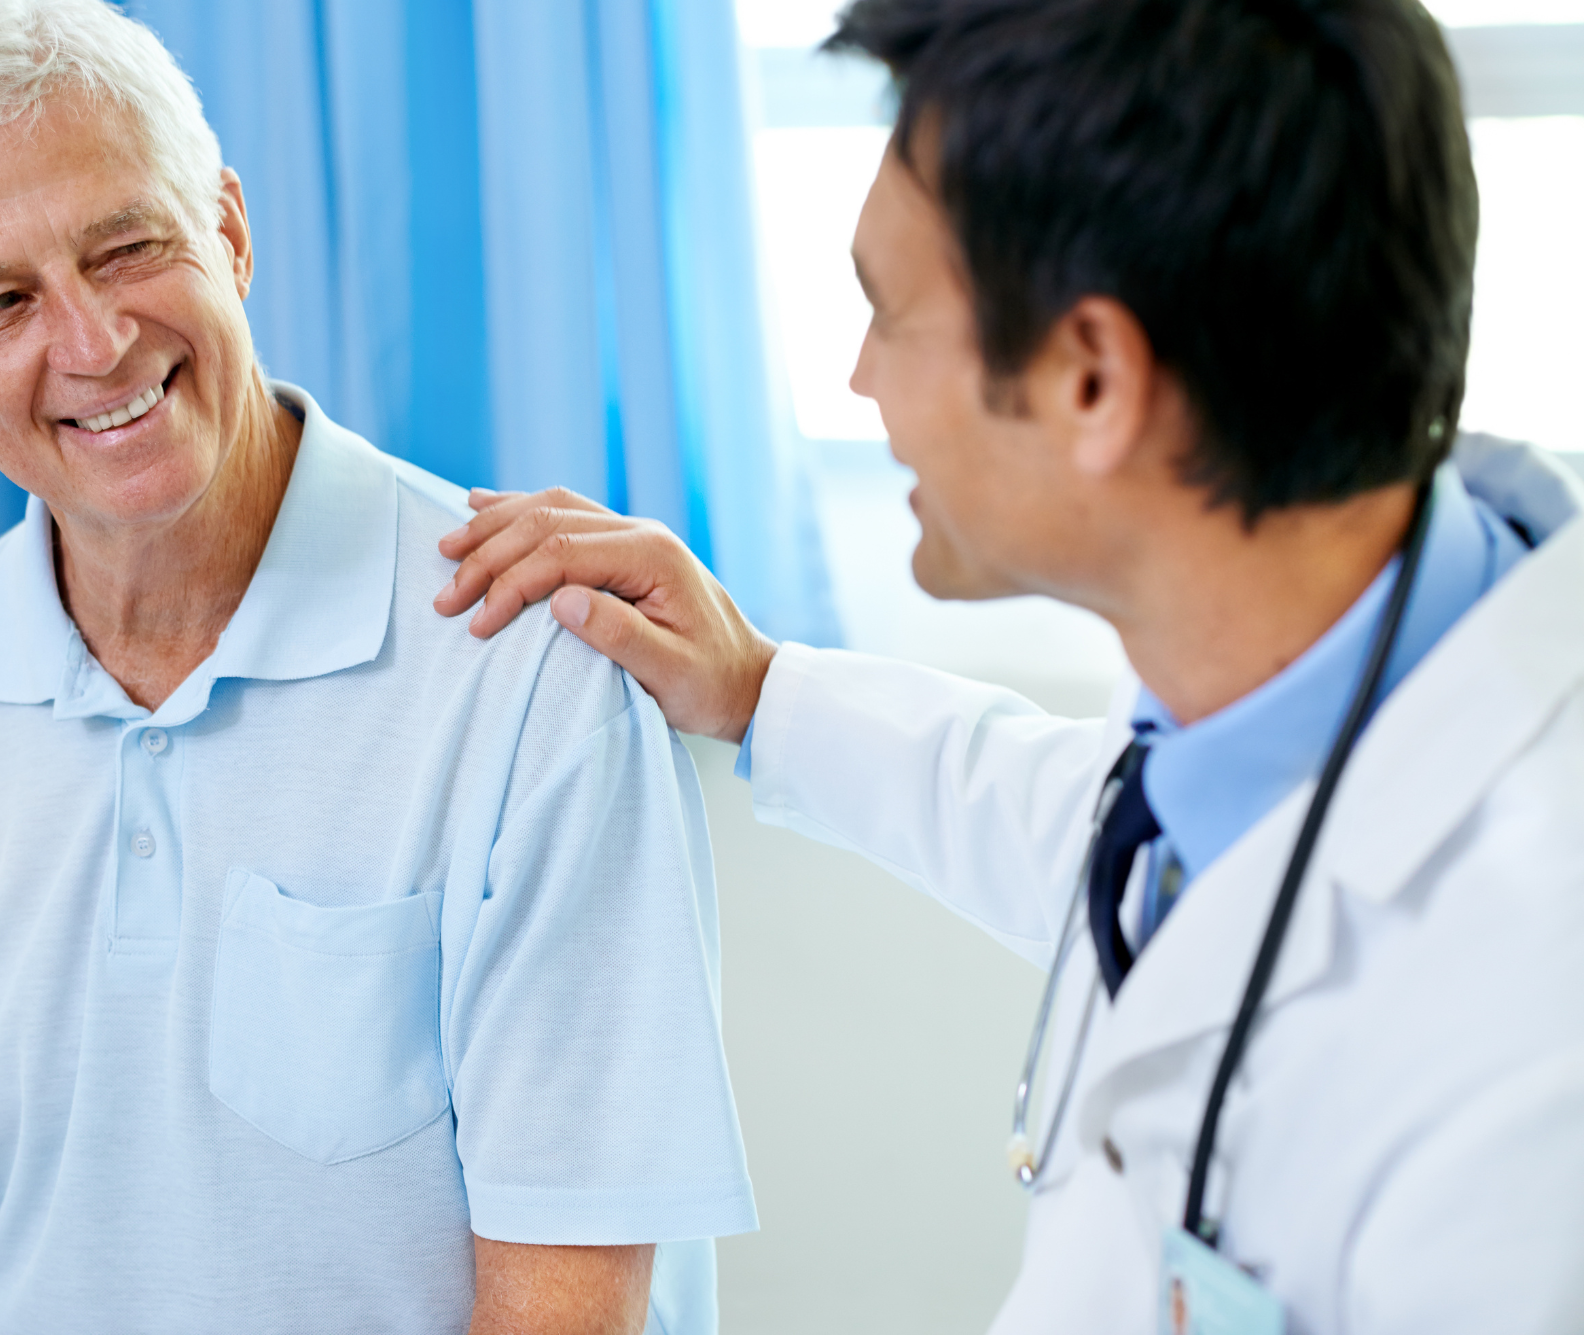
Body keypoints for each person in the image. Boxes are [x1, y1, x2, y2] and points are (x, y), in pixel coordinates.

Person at [437, 0, 1584, 1330]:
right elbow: (1079, 817)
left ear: (1092, 377)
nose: (862, 378)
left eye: (887, 312)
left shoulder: (1523, 1039)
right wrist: (757, 687)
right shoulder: (1300, 666)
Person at [0, 2, 756, 1331]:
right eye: (3, 301)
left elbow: (569, 1307)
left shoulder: (526, 667)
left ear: (227, 228)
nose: (96, 342)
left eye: (129, 246)